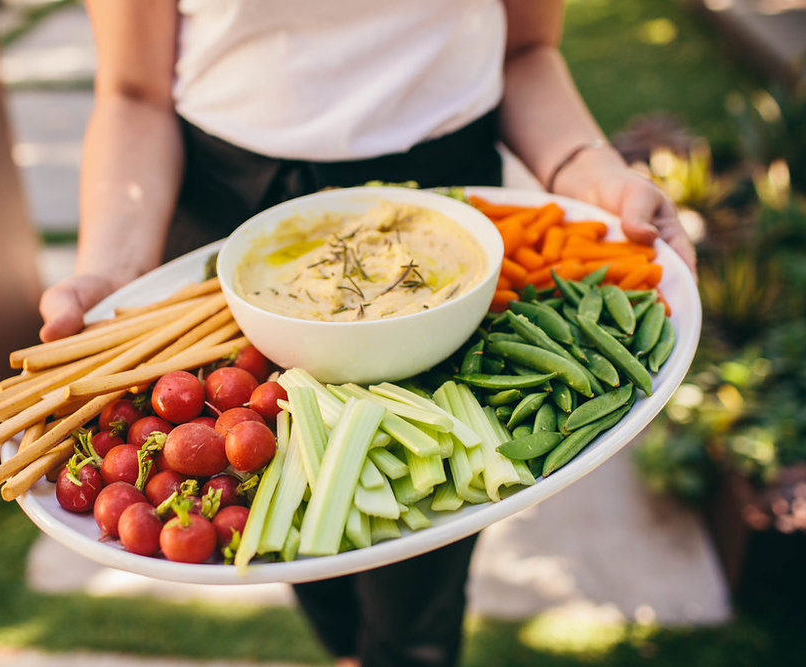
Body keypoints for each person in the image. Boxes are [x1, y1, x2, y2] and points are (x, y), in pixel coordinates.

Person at [38, 2, 697, 665]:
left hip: (443, 217)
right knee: (282, 509)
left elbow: (526, 50)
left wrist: (592, 172)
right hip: (230, 213)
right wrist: (111, 274)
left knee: (419, 588)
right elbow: (133, 88)